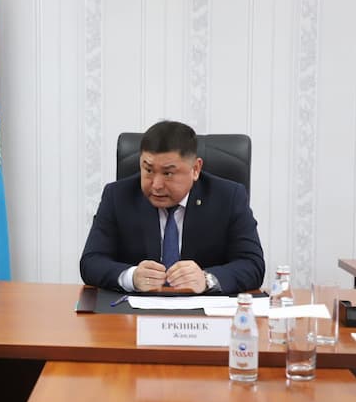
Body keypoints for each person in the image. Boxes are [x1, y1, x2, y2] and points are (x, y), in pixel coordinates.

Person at [80, 120, 265, 294]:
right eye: (148, 170)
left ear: (195, 169)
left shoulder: (229, 197)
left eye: (168, 173)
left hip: (204, 311)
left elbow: (252, 265)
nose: (156, 185)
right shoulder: (118, 195)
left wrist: (206, 279)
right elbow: (91, 262)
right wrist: (131, 276)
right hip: (135, 311)